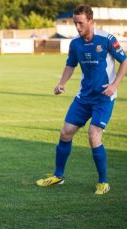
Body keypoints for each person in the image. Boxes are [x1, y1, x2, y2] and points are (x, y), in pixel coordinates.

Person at [36, 4, 127, 195]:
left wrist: (114, 85)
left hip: (103, 98)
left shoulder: (107, 39)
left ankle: (103, 182)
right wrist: (62, 83)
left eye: (81, 23)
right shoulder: (75, 44)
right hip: (83, 97)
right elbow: (70, 65)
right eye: (75, 23)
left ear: (91, 21)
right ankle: (58, 176)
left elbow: (125, 61)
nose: (77, 27)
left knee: (94, 135)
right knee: (65, 133)